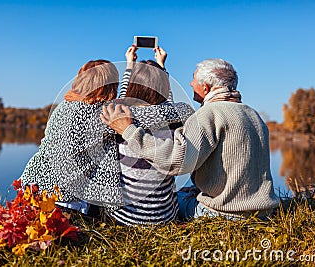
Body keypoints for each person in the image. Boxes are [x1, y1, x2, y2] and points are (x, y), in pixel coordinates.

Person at [100, 58, 279, 220]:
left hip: (226, 214)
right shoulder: (253, 114)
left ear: (206, 88)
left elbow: (176, 162)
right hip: (263, 211)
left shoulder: (209, 114)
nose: (191, 83)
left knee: (172, 199)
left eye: (194, 80)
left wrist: (129, 131)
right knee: (183, 192)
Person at [20, 59, 123, 213]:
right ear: (112, 86)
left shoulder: (62, 106)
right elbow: (154, 113)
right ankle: (111, 209)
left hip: (31, 185)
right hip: (62, 200)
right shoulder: (107, 113)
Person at [108, 46, 194, 225]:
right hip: (164, 217)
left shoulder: (120, 117)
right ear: (165, 87)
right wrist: (162, 69)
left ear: (132, 86)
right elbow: (165, 106)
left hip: (125, 218)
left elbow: (123, 99)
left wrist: (130, 66)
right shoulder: (176, 115)